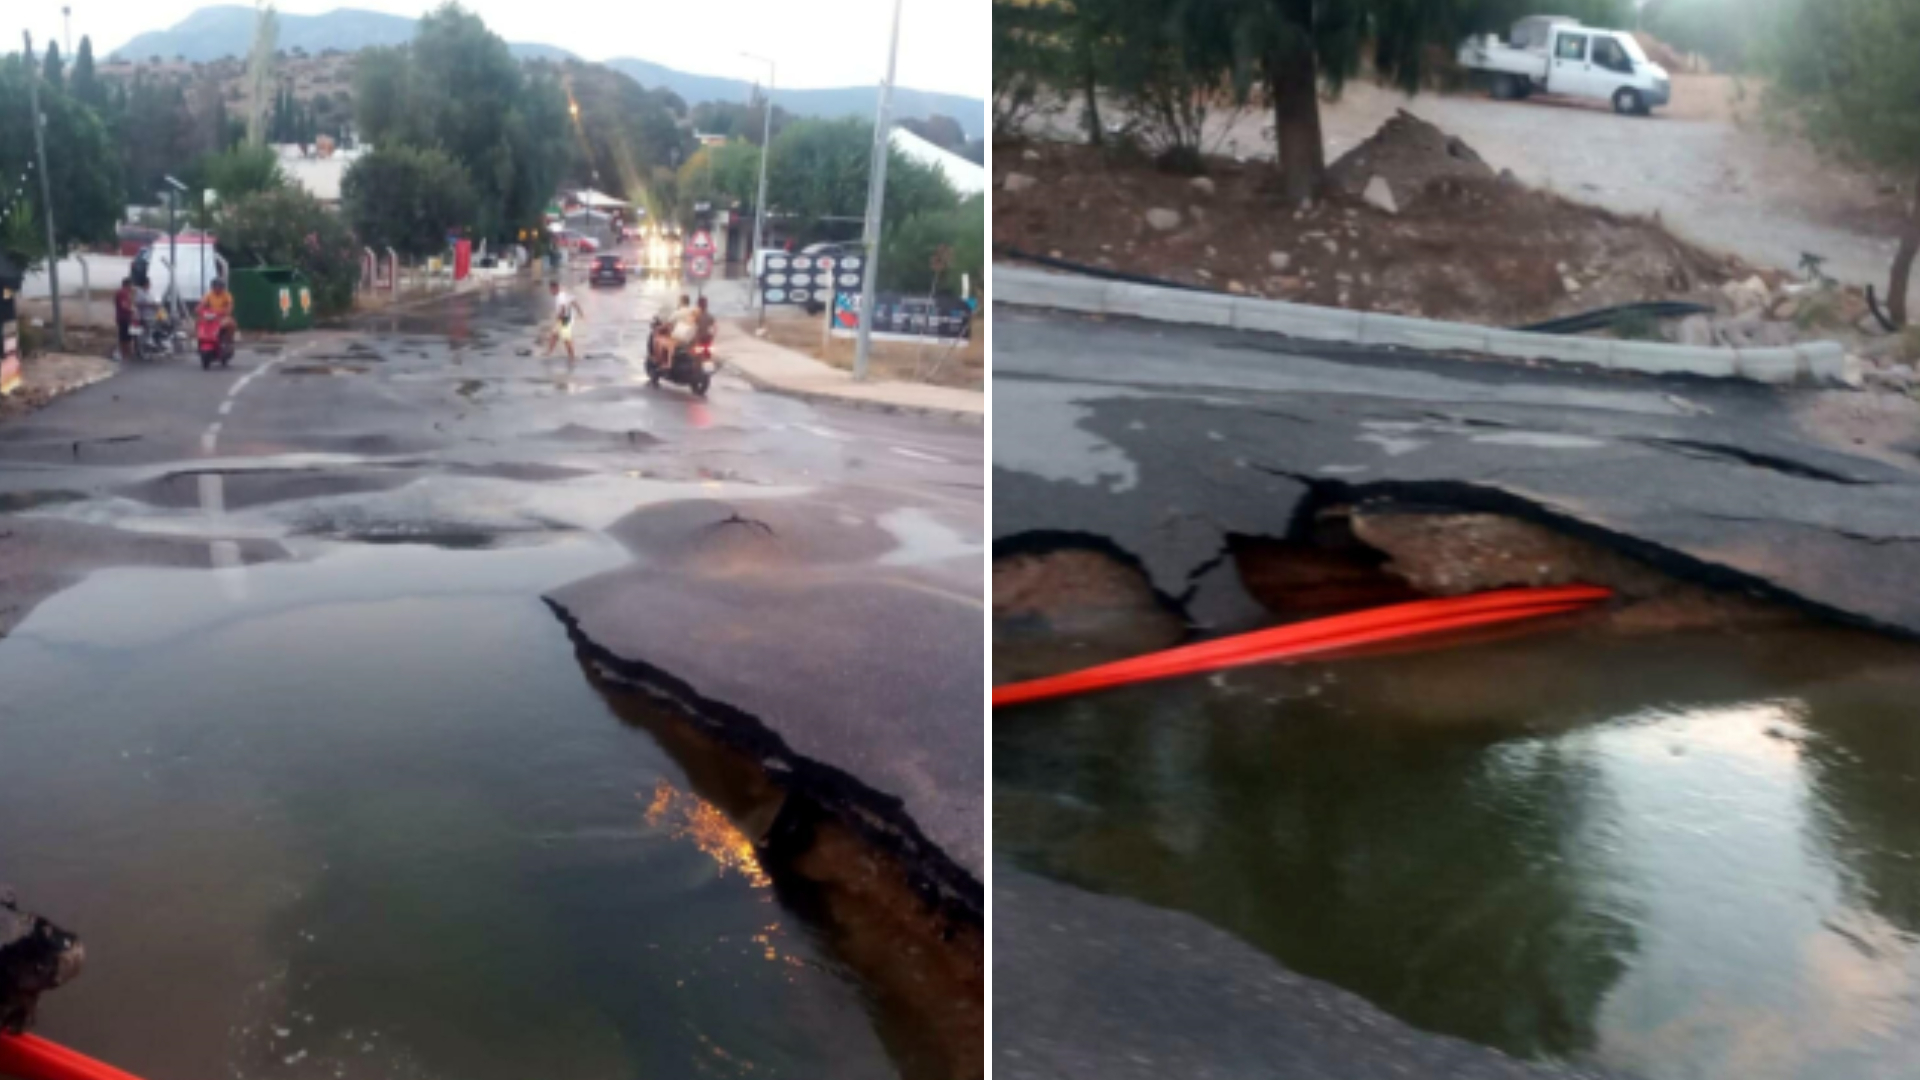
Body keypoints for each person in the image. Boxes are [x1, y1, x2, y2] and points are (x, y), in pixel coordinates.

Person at [546, 280, 582, 362]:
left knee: (566, 339)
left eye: (551, 290)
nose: (550, 292)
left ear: (555, 288)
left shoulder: (560, 296)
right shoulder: (563, 294)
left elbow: (563, 308)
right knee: (554, 335)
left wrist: (559, 317)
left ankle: (572, 356)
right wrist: (580, 313)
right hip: (564, 318)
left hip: (565, 319)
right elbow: (574, 301)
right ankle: (548, 353)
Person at [113, 278, 135, 361]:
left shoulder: (123, 293)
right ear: (127, 285)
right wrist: (132, 310)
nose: (132, 287)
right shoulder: (123, 293)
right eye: (131, 285)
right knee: (124, 336)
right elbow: (124, 305)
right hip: (124, 318)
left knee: (127, 335)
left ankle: (126, 353)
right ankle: (124, 354)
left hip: (124, 317)